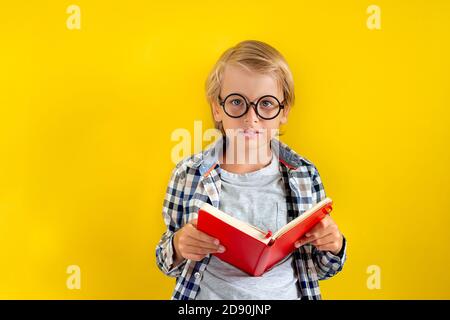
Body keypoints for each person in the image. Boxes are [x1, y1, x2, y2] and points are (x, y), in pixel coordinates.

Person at [156, 40, 347, 300]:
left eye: (266, 104)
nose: (251, 117)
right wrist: (178, 245)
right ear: (217, 108)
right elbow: (166, 262)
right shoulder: (189, 174)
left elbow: (319, 269)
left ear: (284, 111)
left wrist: (333, 246)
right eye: (237, 102)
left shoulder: (304, 175)